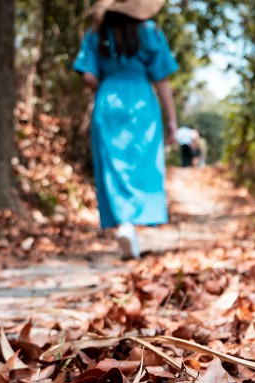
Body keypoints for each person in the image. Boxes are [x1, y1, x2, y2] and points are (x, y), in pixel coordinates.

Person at [74, 0, 178, 259]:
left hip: (108, 100)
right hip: (142, 100)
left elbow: (87, 75)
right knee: (143, 163)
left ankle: (124, 224)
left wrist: (105, 87)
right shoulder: (150, 32)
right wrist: (172, 120)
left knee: (114, 166)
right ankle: (134, 223)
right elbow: (162, 79)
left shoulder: (96, 35)